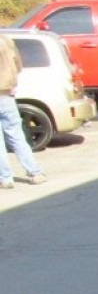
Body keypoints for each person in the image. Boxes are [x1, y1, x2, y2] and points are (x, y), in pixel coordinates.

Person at [0, 33, 47, 189]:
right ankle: (35, 172)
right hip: (6, 94)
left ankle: (5, 178)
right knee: (16, 135)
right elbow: (18, 65)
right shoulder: (6, 40)